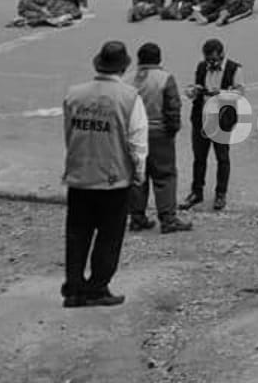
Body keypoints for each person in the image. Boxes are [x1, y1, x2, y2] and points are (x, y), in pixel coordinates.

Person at [61, 41, 147, 308]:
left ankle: (73, 289)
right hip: (114, 179)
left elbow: (69, 133)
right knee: (109, 237)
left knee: (77, 234)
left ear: (98, 64)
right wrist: (139, 174)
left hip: (79, 176)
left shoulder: (74, 95)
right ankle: (97, 287)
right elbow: (137, 142)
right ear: (123, 67)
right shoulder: (129, 97)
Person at [127, 44, 192, 235]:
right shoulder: (165, 78)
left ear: (139, 59)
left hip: (133, 134)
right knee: (164, 176)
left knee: (138, 175)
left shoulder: (128, 79)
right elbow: (173, 108)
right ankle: (168, 219)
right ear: (159, 59)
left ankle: (137, 218)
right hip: (159, 133)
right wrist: (172, 131)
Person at [183, 39, 243, 212]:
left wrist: (222, 93)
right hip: (201, 118)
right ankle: (196, 192)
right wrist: (193, 91)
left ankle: (220, 194)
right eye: (208, 60)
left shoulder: (234, 68)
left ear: (222, 54)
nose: (211, 63)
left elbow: (239, 93)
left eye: (214, 60)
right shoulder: (202, 67)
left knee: (222, 158)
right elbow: (193, 89)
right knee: (199, 158)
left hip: (222, 120)